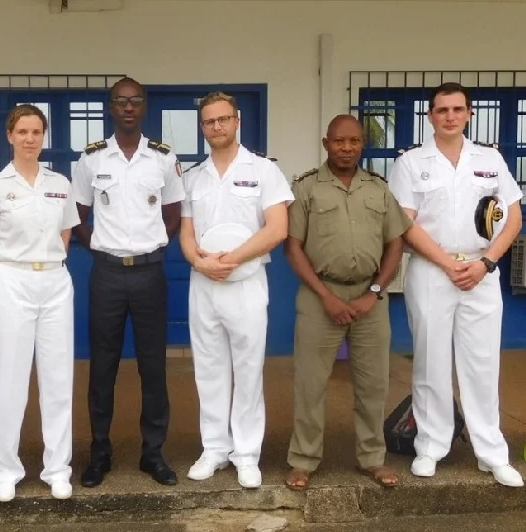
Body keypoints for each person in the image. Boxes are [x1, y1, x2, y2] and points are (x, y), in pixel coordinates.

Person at [388, 82, 524, 487]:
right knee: (430, 361)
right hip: (433, 269)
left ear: (468, 114)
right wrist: (448, 263)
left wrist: (486, 262)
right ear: (430, 116)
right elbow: (405, 223)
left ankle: (491, 452)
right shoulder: (412, 162)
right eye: (442, 110)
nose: (450, 116)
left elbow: (513, 216)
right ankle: (430, 445)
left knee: (482, 363)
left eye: (457, 109)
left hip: (481, 270)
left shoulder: (490, 159)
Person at [283, 114, 412, 491]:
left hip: (371, 298)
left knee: (373, 385)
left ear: (361, 145)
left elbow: (396, 243)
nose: (347, 148)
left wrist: (374, 293)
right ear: (326, 144)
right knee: (310, 384)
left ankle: (372, 458)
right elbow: (293, 248)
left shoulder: (378, 189)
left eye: (354, 141)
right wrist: (326, 297)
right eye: (339, 141)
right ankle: (304, 460)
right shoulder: (306, 189)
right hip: (318, 295)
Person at [71, 77, 185, 487]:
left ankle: (152, 452)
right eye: (121, 101)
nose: (129, 106)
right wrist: (99, 246)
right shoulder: (91, 159)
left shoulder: (163, 157)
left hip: (150, 274)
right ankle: (99, 451)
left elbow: (174, 211)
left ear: (145, 106)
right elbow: (76, 216)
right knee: (103, 366)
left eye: (136, 100)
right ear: (111, 107)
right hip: (107, 275)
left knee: (153, 367)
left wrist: (154, 244)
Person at [179, 92, 292, 489]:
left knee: (247, 371)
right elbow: (186, 233)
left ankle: (246, 453)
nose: (217, 127)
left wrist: (233, 259)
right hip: (204, 282)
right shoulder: (192, 176)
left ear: (237, 120)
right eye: (209, 121)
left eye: (224, 119)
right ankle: (214, 449)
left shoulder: (263, 170)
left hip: (245, 284)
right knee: (208, 369)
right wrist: (198, 261)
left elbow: (278, 228)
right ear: (202, 127)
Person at [0, 104, 81, 502]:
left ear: (44, 136)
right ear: (9, 135)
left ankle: (58, 468)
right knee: (11, 378)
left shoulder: (60, 183)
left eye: (37, 132)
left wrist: (43, 268)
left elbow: (65, 235)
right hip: (11, 280)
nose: (30, 139)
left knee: (57, 379)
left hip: (53, 280)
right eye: (23, 132)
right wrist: (7, 281)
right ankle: (5, 467)